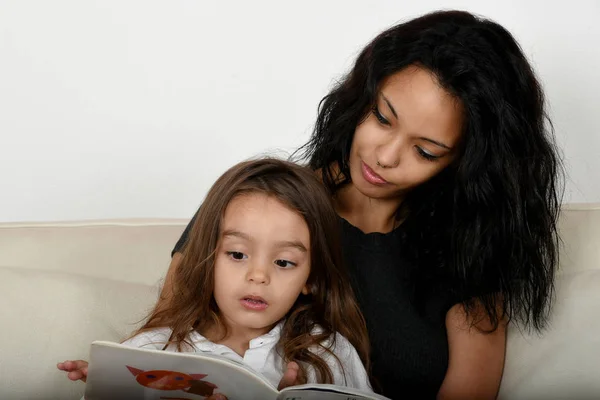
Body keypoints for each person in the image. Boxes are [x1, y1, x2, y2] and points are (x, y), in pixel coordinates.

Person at [167, 10, 563, 399]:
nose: (385, 157)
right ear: (361, 98)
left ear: (467, 163)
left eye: (425, 151)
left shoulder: (472, 250)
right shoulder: (255, 202)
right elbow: (166, 339)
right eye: (382, 117)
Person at [57, 158, 373, 399]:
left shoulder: (330, 354)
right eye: (237, 255)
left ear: (311, 278)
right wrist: (110, 386)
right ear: (208, 259)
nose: (259, 275)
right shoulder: (153, 350)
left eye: (284, 262)